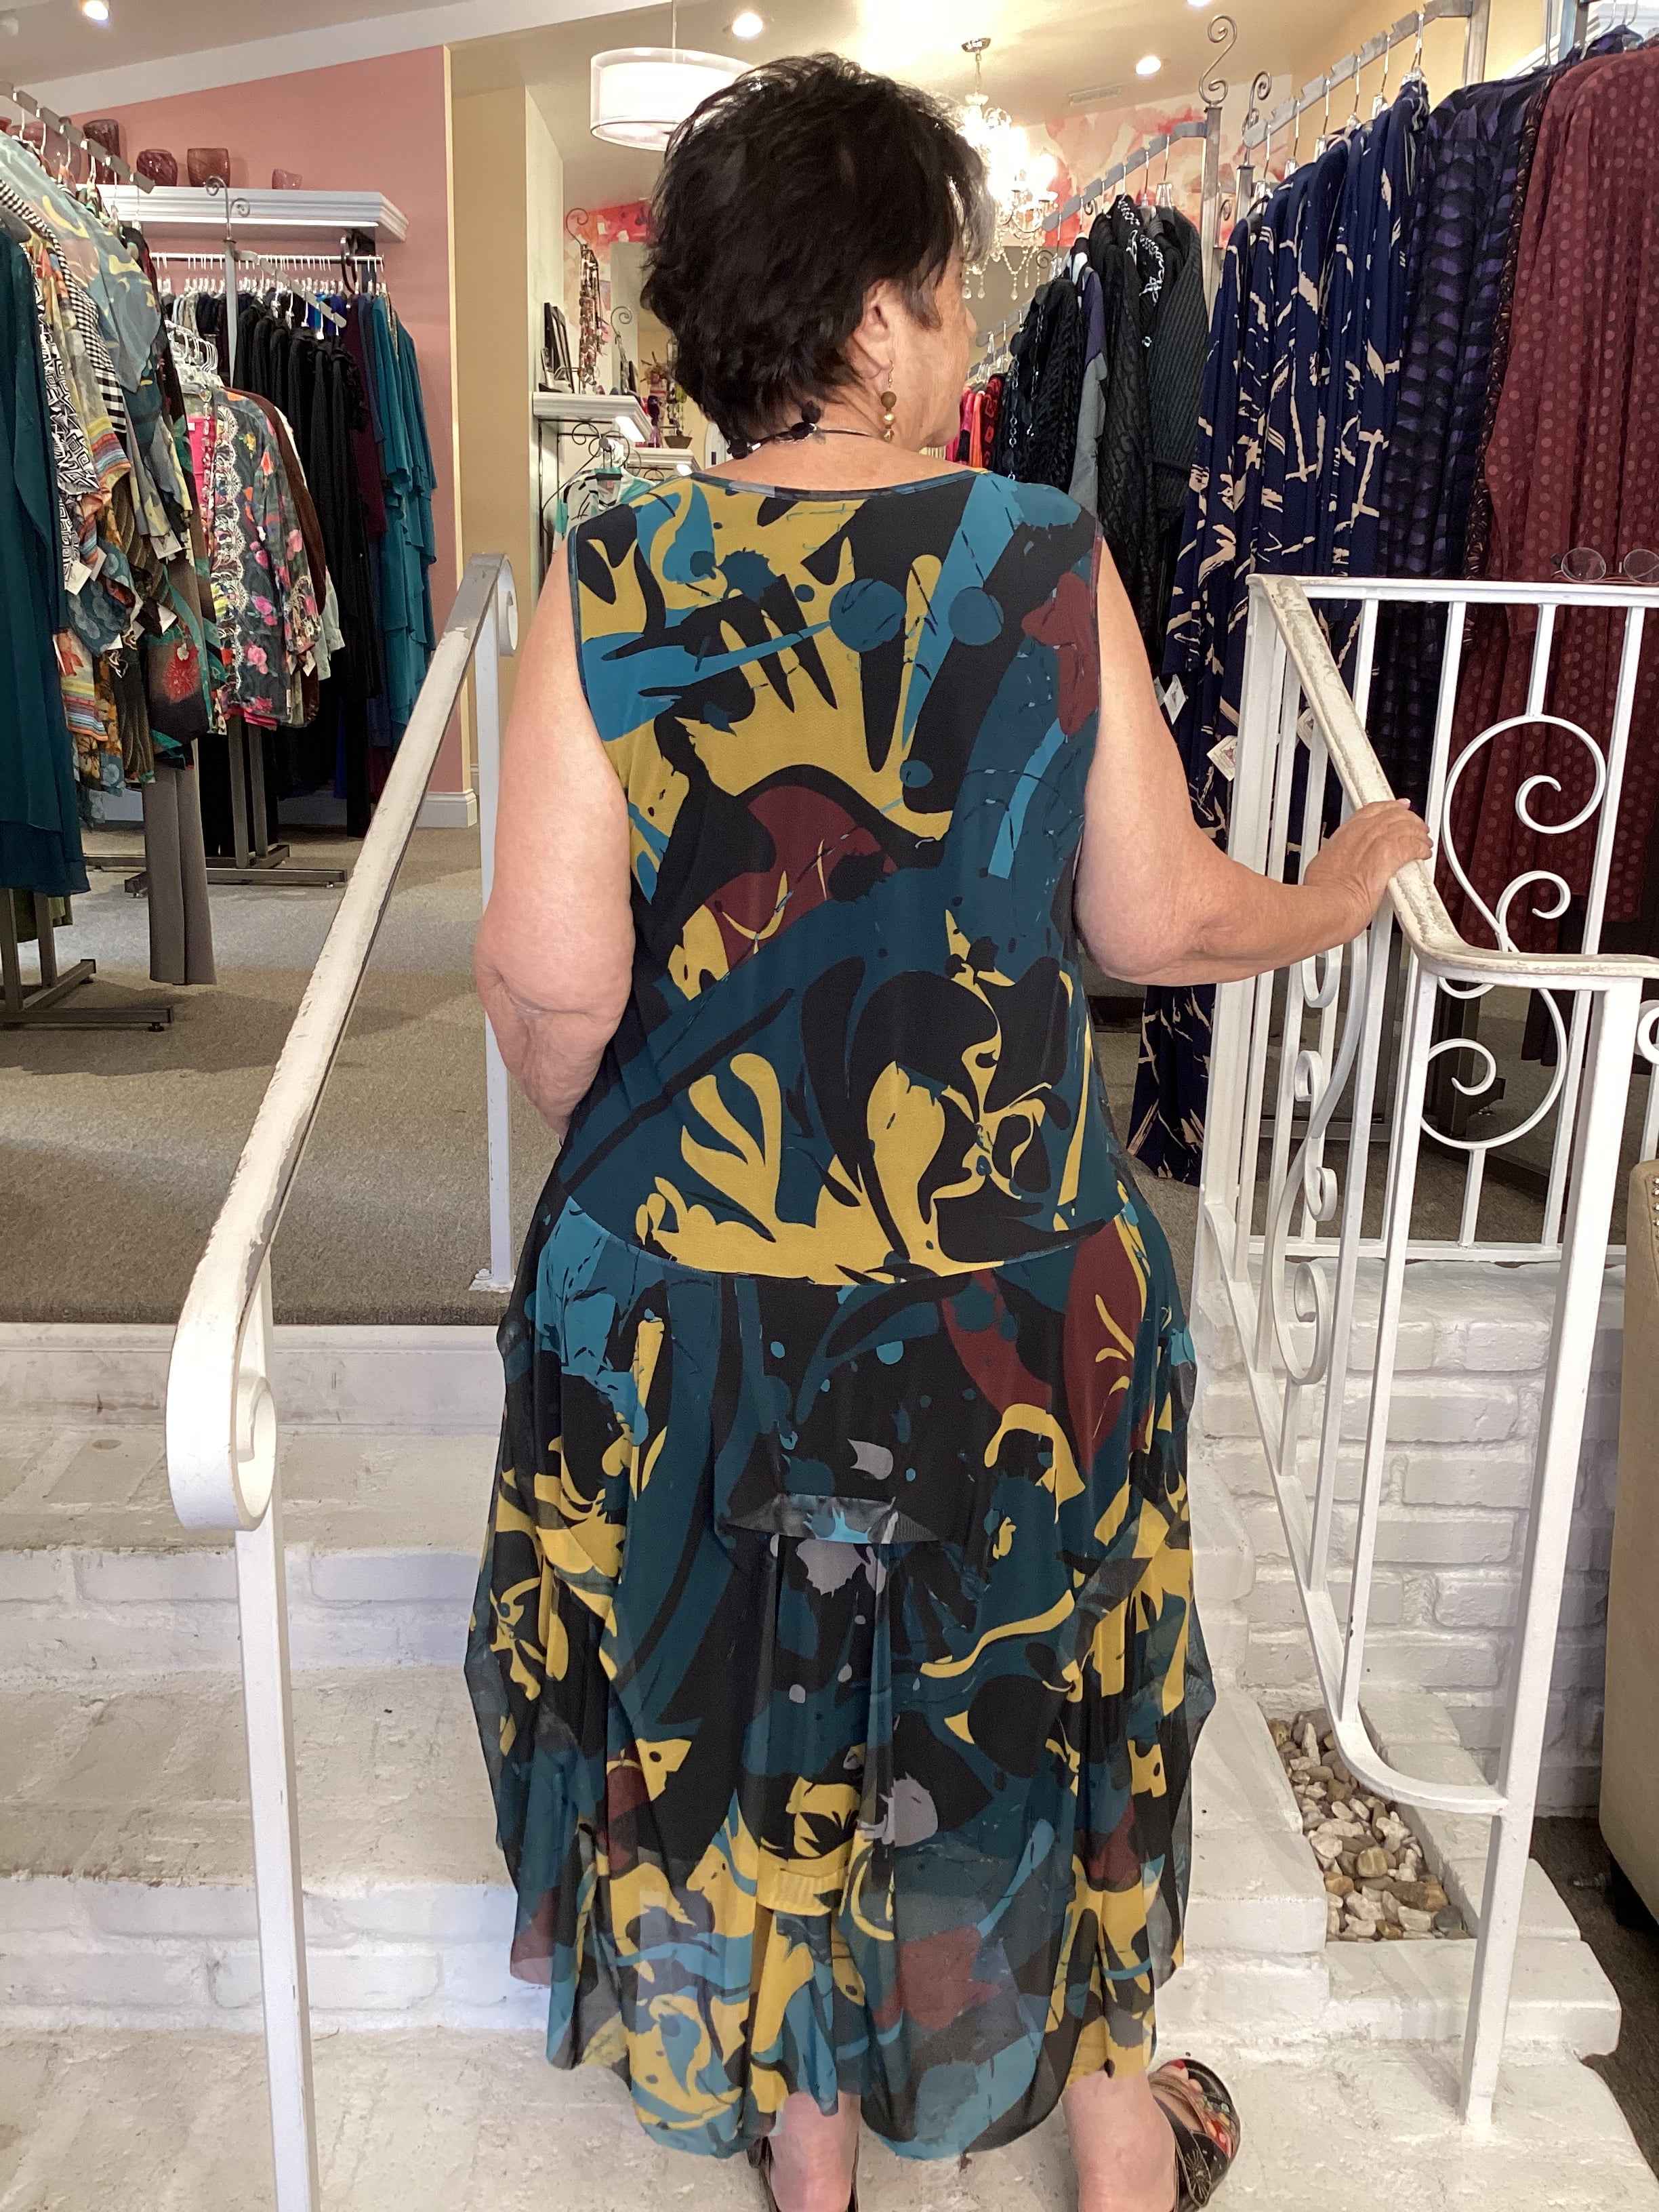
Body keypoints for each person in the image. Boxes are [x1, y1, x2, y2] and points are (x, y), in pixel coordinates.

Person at [468, 54, 1430, 2212]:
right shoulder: (1032, 554)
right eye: (948, 284)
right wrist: (1343, 886)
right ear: (878, 311)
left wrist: (660, 1168)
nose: (964, 328)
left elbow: (550, 985)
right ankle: (1118, 2156)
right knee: (1047, 1712)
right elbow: (1156, 920)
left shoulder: (610, 566)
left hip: (702, 1319)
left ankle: (811, 2173)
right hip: (1009, 1308)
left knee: (754, 1721)